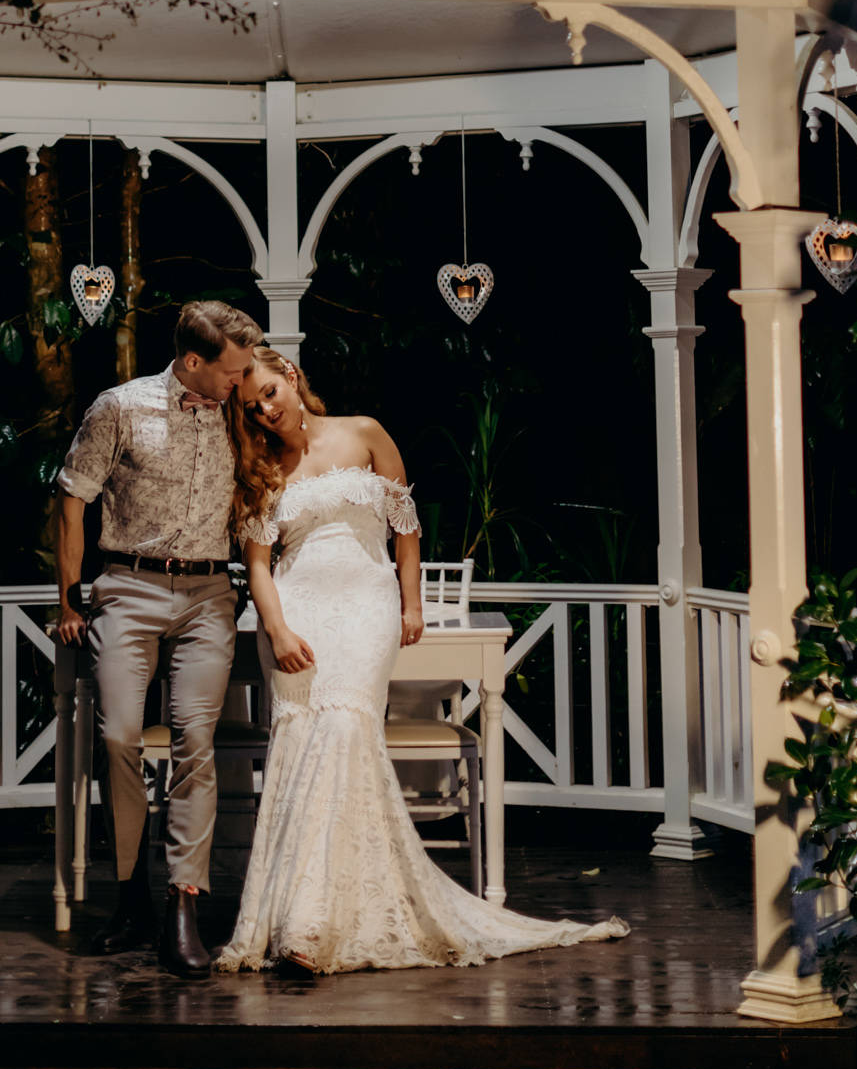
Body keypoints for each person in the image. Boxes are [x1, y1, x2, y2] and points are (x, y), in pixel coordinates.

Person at [216, 346, 629, 976]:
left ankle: (315, 920)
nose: (265, 412)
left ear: (292, 377)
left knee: (346, 725)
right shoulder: (263, 467)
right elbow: (258, 567)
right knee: (302, 742)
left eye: (269, 394)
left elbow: (404, 529)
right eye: (252, 408)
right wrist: (274, 629)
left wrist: (412, 604)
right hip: (298, 611)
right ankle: (299, 919)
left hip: (365, 604)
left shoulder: (365, 433)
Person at [54, 299, 264, 978]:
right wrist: (67, 597)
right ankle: (128, 899)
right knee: (116, 736)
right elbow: (73, 497)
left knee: (193, 739)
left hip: (209, 593)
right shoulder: (119, 407)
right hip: (129, 586)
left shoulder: (239, 409)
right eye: (231, 369)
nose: (241, 379)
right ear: (193, 361)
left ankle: (183, 904)